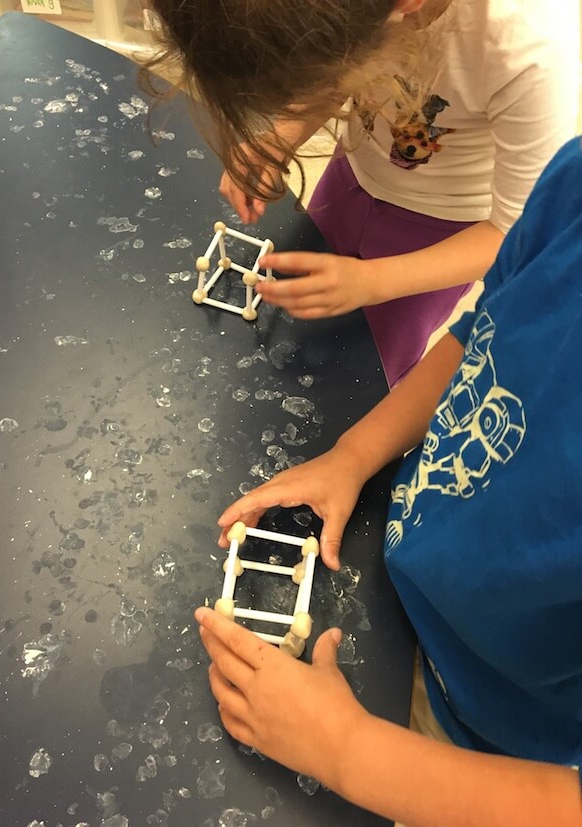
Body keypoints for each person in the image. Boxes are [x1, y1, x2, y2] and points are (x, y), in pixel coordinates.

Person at [194, 136, 582, 827]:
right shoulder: (576, 181)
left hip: (480, 734)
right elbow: (482, 327)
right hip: (399, 563)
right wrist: (353, 453)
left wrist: (350, 750)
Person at [143, 0, 579, 386]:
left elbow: (517, 231)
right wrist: (278, 137)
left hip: (443, 238)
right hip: (349, 178)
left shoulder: (530, 48)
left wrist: (375, 282)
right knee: (293, 314)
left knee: (363, 375)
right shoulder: (357, 16)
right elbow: (333, 69)